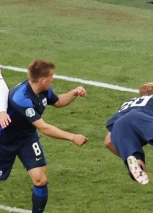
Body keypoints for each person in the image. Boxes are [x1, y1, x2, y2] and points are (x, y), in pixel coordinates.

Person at [0, 59, 89, 213]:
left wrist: (74, 93)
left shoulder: (43, 90)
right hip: (5, 141)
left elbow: (59, 101)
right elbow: (44, 128)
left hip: (27, 138)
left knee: (40, 179)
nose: (52, 79)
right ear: (42, 80)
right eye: (51, 76)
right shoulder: (21, 97)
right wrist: (72, 136)